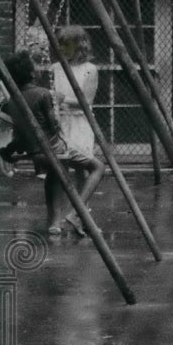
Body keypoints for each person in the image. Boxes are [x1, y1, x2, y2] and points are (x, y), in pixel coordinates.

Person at [0, 51, 72, 236]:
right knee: (93, 166)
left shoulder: (13, 100)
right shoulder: (44, 94)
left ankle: (53, 221)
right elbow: (54, 126)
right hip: (52, 149)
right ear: (32, 74)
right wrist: (57, 104)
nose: (38, 68)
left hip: (32, 150)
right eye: (34, 67)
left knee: (54, 175)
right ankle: (74, 214)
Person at [49, 25, 105, 237]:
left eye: (66, 44)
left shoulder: (90, 69)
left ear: (79, 45)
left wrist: (60, 98)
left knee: (82, 169)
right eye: (59, 44)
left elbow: (86, 101)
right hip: (60, 123)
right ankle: (56, 219)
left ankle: (78, 215)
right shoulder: (56, 68)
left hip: (80, 123)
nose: (61, 48)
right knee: (58, 170)